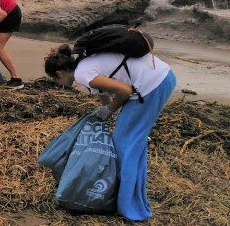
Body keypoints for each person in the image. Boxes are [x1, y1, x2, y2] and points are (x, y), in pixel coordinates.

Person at [43, 44, 177, 221]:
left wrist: (110, 110)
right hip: (157, 78)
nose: (58, 84)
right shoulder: (83, 66)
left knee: (125, 145)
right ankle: (128, 198)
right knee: (129, 141)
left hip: (152, 85)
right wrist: (105, 108)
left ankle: (129, 207)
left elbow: (125, 91)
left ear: (59, 74)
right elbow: (104, 91)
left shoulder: (83, 74)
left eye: (55, 81)